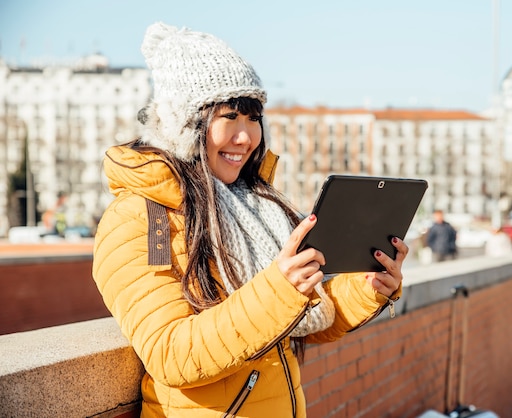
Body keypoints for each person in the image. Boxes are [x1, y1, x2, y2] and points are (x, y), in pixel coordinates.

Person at [92, 22, 405, 418]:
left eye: (253, 118)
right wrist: (280, 288)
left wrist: (369, 287)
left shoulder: (258, 206)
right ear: (186, 126)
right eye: (230, 117)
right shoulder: (139, 217)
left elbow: (302, 318)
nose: (246, 137)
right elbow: (170, 354)